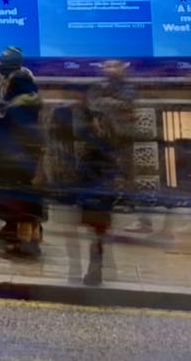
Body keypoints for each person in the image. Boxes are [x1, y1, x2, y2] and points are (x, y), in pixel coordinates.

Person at [0, 46, 45, 257]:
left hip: (15, 153)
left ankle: (26, 242)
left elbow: (7, 116)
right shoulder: (11, 87)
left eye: (3, 62)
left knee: (20, 196)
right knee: (10, 193)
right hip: (12, 151)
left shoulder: (20, 96)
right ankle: (17, 231)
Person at [87, 60, 146, 231]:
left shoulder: (127, 88)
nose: (111, 69)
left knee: (128, 173)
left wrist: (106, 102)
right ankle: (111, 202)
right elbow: (93, 104)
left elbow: (127, 105)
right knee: (108, 172)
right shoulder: (101, 87)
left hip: (124, 136)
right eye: (108, 66)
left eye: (115, 66)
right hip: (106, 136)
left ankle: (132, 205)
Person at [75, 107, 123, 285]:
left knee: (97, 235)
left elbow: (91, 170)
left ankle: (95, 271)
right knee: (97, 235)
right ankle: (96, 270)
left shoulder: (98, 144)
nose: (91, 124)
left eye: (94, 121)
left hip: (97, 197)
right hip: (99, 197)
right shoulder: (102, 144)